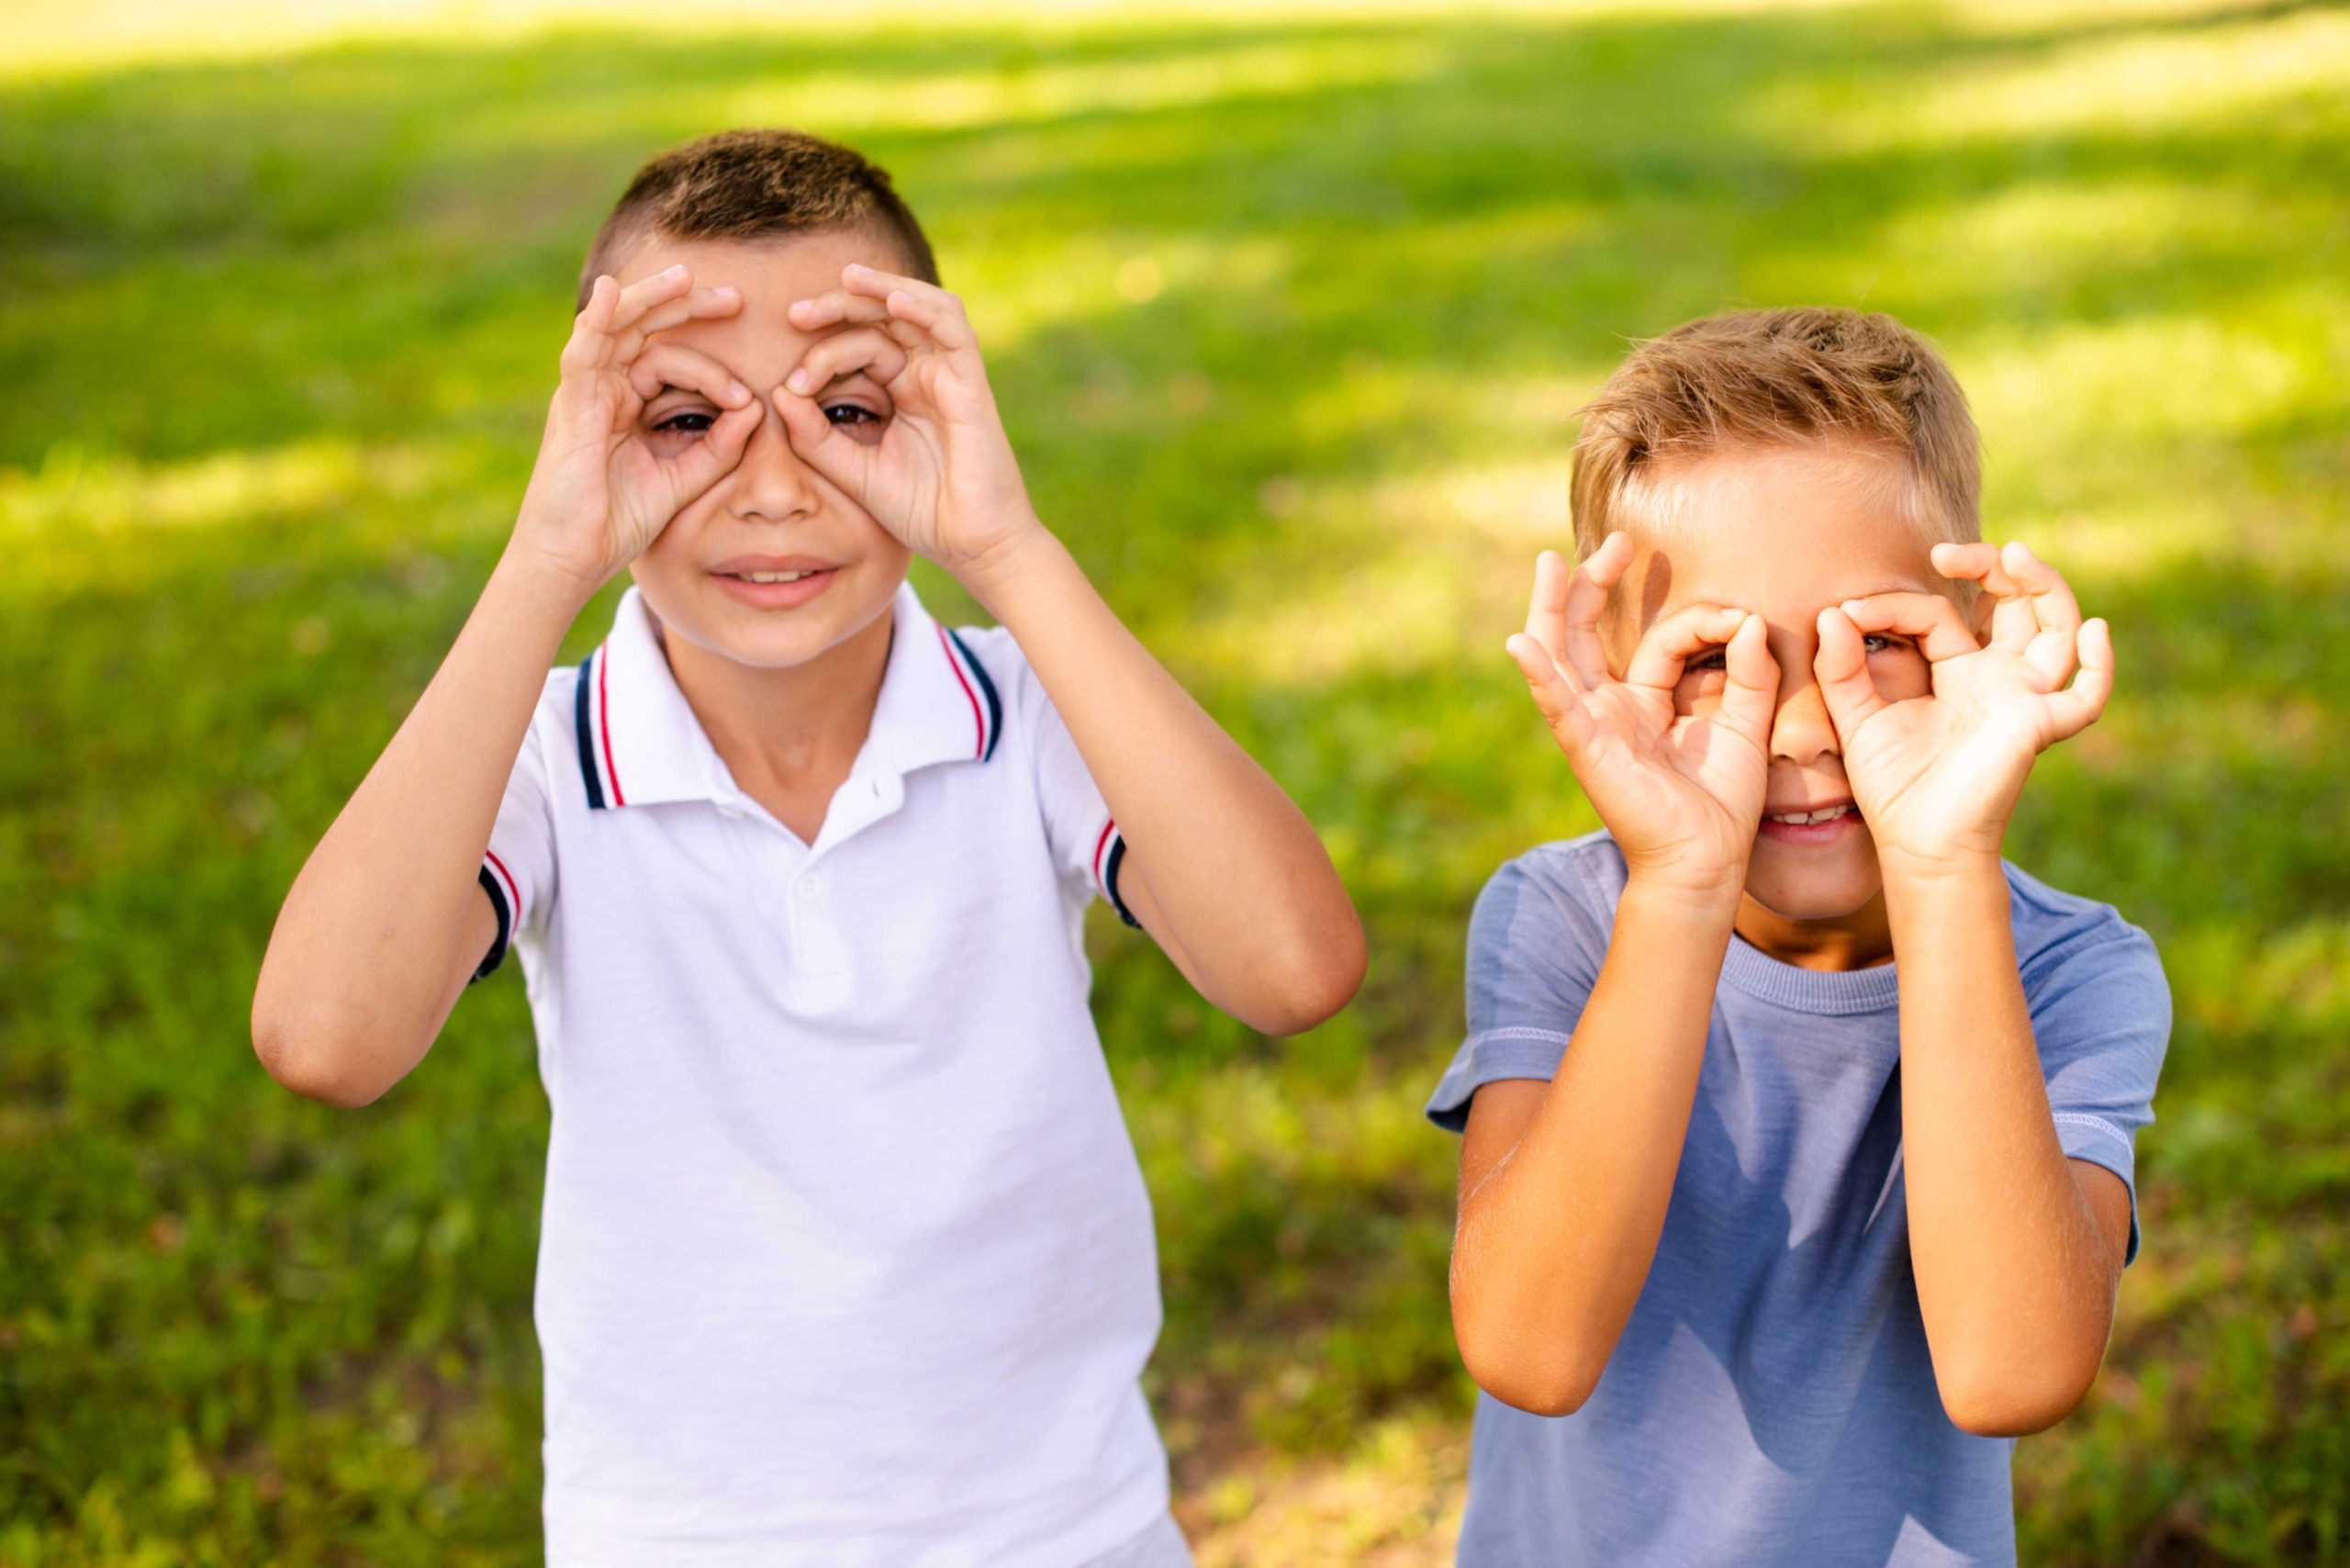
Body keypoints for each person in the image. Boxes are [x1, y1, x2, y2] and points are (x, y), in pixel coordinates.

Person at [252, 128, 1364, 1568]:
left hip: (1064, 1531)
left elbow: (1292, 969)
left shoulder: (1024, 712)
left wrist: (1010, 550)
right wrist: (544, 560)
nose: (772, 491)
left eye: (845, 410)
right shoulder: (536, 751)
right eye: (681, 422)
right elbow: (328, 1039)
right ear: (587, 433)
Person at [1432, 308, 2168, 1565]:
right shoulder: (1562, 916)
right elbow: (1528, 1351)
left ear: (1974, 631)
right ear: (1613, 672)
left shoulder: (2074, 970)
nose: (1801, 728)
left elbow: (2011, 1375)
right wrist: (1678, 884)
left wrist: (1940, 867)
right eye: (1717, 656)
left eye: (1874, 641)